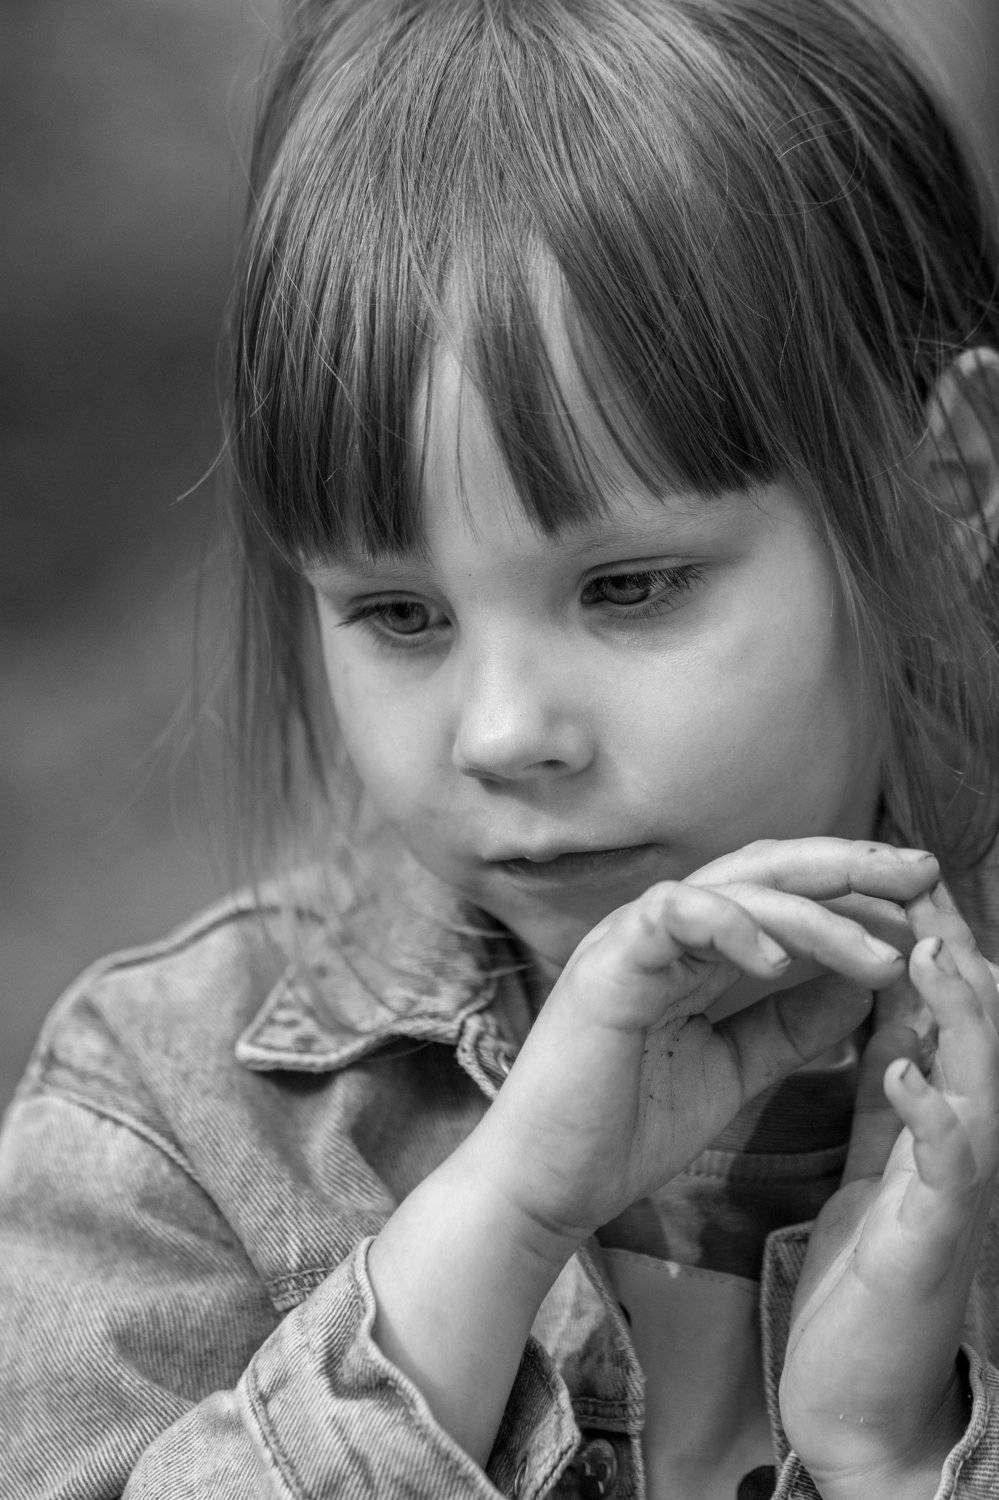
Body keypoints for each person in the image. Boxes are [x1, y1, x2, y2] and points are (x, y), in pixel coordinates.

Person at [4, 0, 999, 1495]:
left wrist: (894, 1450)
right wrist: (500, 1219)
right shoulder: (174, 1114)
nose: (503, 733)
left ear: (943, 488)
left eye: (629, 587)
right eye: (399, 614)